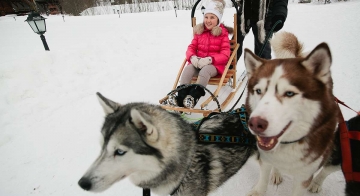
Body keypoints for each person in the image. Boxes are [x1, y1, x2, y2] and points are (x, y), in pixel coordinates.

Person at [168, 0, 231, 109]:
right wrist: (192, 57)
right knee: (188, 69)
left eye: (212, 17)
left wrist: (210, 59)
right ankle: (181, 96)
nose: (208, 20)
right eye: (206, 17)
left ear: (218, 19)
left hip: (214, 65)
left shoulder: (222, 34)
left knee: (205, 71)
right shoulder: (199, 32)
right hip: (198, 61)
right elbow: (191, 47)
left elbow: (225, 55)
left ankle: (194, 96)